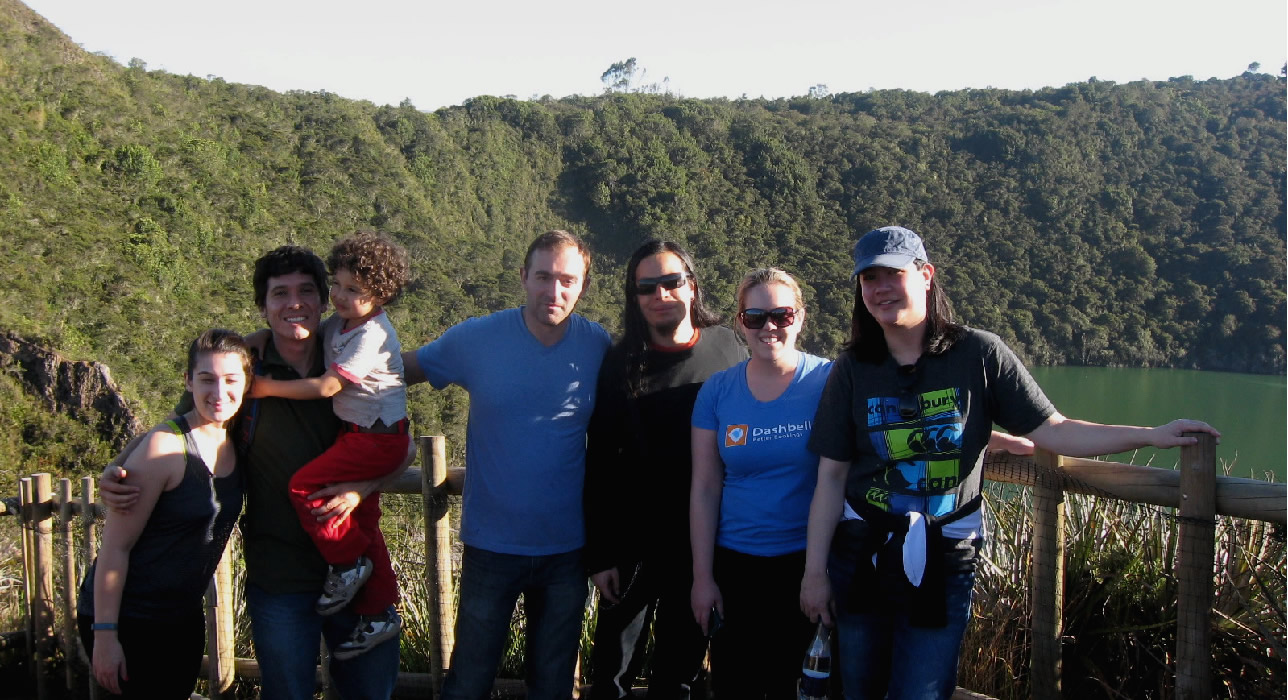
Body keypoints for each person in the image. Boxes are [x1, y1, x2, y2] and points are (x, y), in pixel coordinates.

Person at [799, 226, 1221, 700]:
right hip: (861, 554)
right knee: (858, 689)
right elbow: (831, 475)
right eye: (868, 278)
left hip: (946, 555)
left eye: (892, 274)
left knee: (922, 690)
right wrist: (816, 573)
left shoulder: (978, 354)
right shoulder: (853, 367)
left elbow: (1054, 430)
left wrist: (1151, 435)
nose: (880, 288)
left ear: (926, 276)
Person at [101, 245, 409, 699]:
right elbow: (179, 421)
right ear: (263, 307)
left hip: (355, 575)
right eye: (279, 294)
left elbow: (398, 451)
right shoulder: (241, 375)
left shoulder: (349, 358)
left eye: (306, 290)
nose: (294, 303)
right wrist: (120, 463)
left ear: (325, 300)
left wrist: (362, 490)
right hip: (280, 574)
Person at [402, 230, 612, 700]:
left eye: (566, 280)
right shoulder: (478, 338)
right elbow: (403, 370)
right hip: (491, 546)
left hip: (567, 550)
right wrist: (318, 369)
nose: (553, 291)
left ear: (584, 285)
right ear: (522, 277)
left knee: (552, 684)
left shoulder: (597, 347)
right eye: (542, 277)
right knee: (468, 681)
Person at [583, 240, 746, 700]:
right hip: (632, 547)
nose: (660, 294)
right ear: (635, 297)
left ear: (691, 286)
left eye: (671, 282)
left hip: (704, 545)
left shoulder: (730, 345)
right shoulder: (619, 364)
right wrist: (601, 556)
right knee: (610, 674)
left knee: (679, 674)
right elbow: (599, 461)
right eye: (647, 287)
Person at [247, 232, 411, 659]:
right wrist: (256, 340)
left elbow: (328, 388)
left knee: (304, 486)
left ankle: (347, 564)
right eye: (336, 285)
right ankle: (379, 612)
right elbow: (189, 427)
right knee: (367, 527)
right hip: (280, 573)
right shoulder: (339, 326)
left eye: (350, 290)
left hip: (374, 438)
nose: (339, 296)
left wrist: (263, 387)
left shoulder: (366, 337)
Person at [77, 329, 250, 698]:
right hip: (129, 616)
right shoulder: (164, 448)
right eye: (207, 379)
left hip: (180, 615)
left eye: (232, 380)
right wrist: (105, 637)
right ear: (188, 381)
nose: (219, 393)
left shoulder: (235, 441)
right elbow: (115, 549)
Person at [689, 268, 832, 699]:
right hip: (736, 568)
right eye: (755, 317)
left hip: (807, 565)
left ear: (800, 318)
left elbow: (888, 425)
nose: (769, 327)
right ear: (740, 323)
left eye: (781, 315)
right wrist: (702, 578)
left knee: (801, 686)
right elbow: (705, 486)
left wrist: (990, 436)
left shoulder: (829, 381)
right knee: (736, 684)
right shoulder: (717, 391)